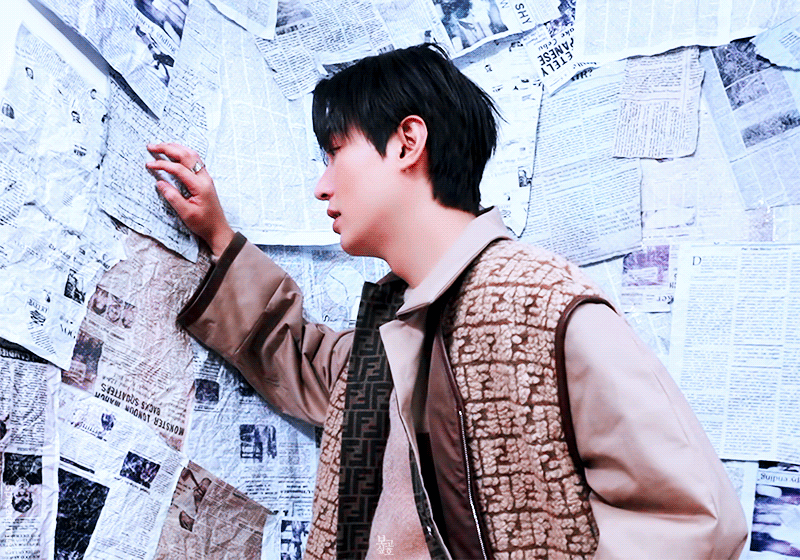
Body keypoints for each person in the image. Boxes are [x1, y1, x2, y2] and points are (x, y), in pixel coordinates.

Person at [146, 43, 747, 559]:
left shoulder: (539, 301)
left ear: (407, 142)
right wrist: (219, 236)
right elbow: (299, 358)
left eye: (334, 153)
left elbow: (694, 520)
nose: (322, 186)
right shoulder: (395, 333)